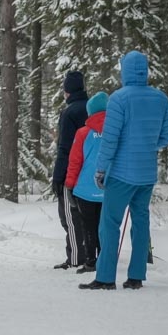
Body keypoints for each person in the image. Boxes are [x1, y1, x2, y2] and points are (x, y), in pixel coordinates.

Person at [80, 52, 168, 291]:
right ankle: (136, 277)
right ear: (145, 70)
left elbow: (110, 139)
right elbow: (165, 137)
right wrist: (145, 146)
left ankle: (105, 278)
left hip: (121, 173)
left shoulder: (119, 99)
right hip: (147, 174)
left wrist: (101, 170)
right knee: (141, 223)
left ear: (125, 71)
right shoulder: (160, 99)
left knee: (109, 223)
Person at [65, 91, 108, 274]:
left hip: (85, 189)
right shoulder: (117, 132)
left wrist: (69, 185)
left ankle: (91, 261)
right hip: (109, 189)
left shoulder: (83, 133)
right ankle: (106, 260)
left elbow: (75, 161)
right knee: (105, 226)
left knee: (89, 226)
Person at [52, 71, 89, 270]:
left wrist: (58, 177)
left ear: (67, 91)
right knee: (89, 217)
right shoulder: (93, 109)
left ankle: (75, 258)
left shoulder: (69, 113)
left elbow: (64, 148)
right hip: (93, 172)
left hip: (71, 173)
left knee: (69, 217)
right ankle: (91, 255)